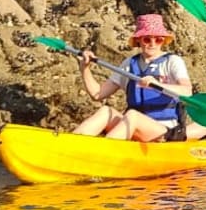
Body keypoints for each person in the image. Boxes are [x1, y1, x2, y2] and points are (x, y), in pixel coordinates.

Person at [73, 13, 192, 141]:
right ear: (139, 40)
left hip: (164, 130)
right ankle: (68, 145)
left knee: (132, 116)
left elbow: (187, 91)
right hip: (133, 126)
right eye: (147, 39)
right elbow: (97, 94)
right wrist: (84, 69)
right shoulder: (129, 64)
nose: (153, 44)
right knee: (105, 111)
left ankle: (103, 153)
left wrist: (158, 85)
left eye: (158, 39)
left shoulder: (172, 61)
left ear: (163, 40)